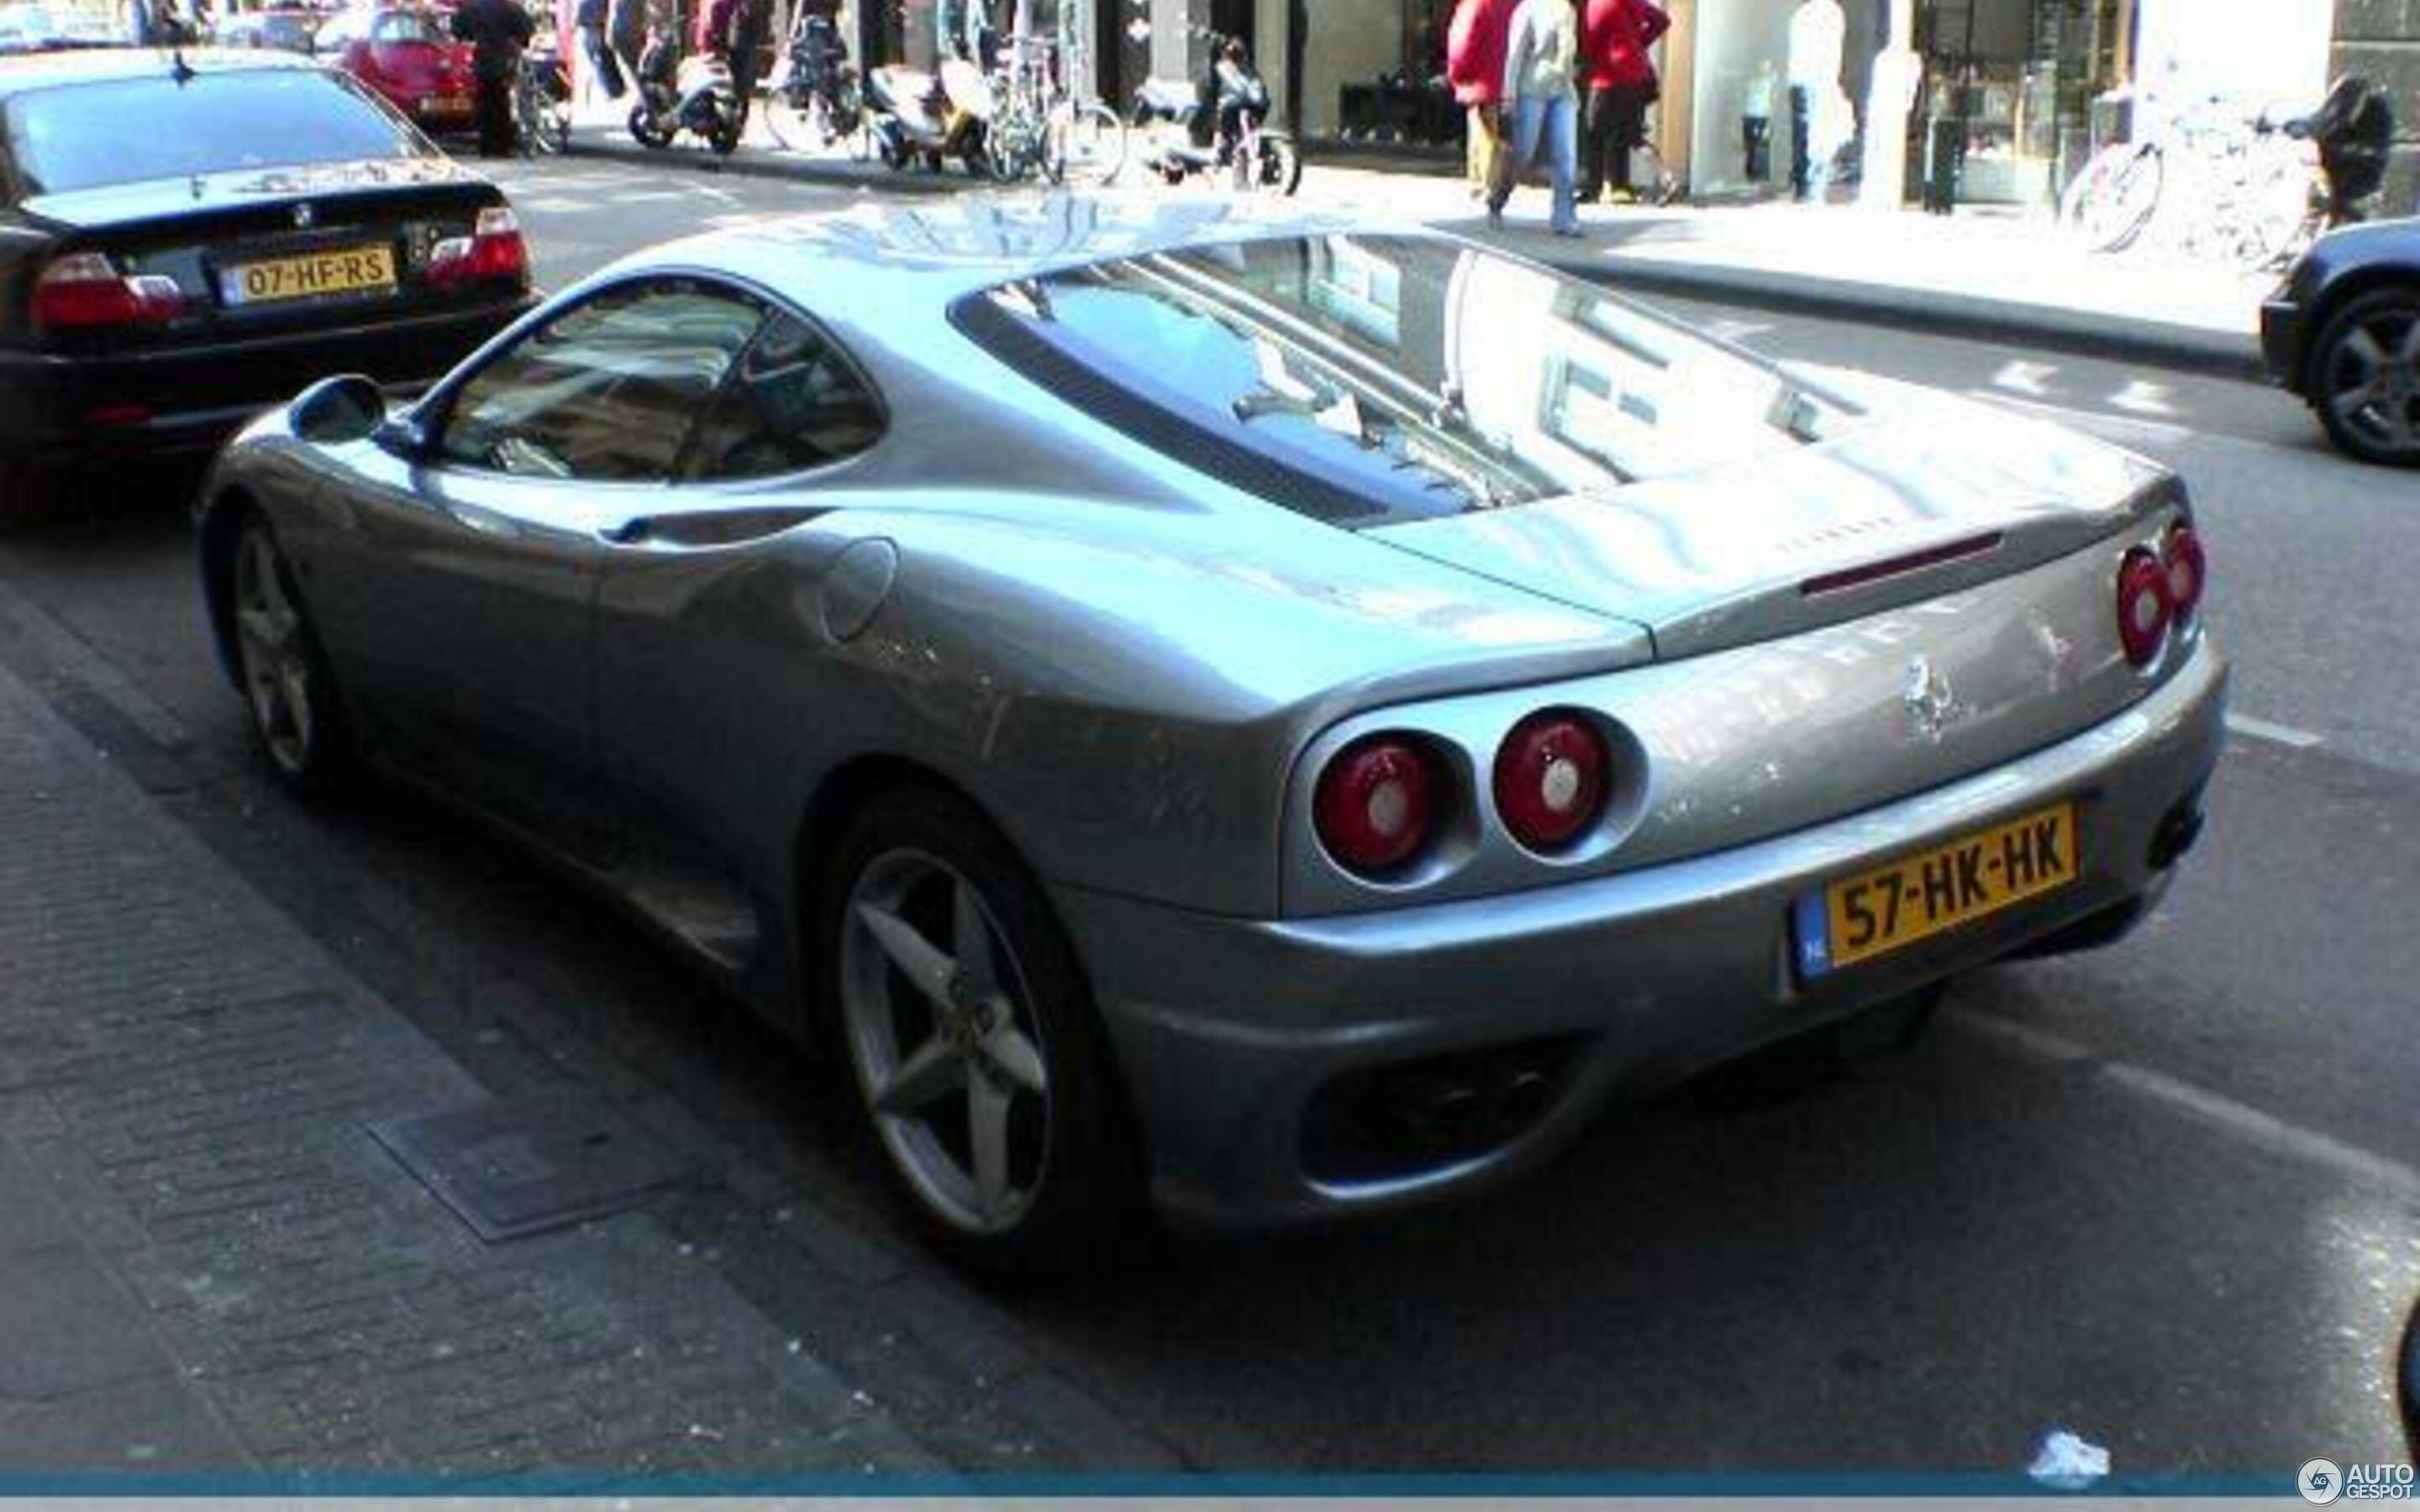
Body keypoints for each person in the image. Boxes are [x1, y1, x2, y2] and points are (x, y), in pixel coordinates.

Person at [1487, 0, 1581, 237]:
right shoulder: (1528, 9)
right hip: (1533, 87)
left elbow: (1571, 53)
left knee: (1565, 155)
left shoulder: (1569, 10)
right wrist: (1508, 95)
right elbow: (1515, 54)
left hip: (1563, 90)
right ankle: (1498, 198)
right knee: (1523, 152)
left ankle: (1563, 217)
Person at [1577, 0, 1665, 203]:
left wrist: (1582, 67)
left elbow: (1590, 41)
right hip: (1636, 77)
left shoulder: (1599, 4)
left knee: (1594, 134)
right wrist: (1638, 43)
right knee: (1631, 136)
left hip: (1607, 77)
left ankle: (1592, 190)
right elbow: (1661, 20)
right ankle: (1661, 179)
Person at [1446, 0, 1517, 199]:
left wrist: (1456, 75)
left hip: (1480, 79)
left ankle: (1482, 183)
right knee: (1495, 133)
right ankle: (1491, 182)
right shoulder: (1517, 5)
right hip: (1509, 81)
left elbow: (1461, 46)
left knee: (1482, 133)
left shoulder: (1474, 5)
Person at [451, 0, 534, 156]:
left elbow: (457, 30)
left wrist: (471, 36)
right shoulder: (510, 7)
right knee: (502, 102)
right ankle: (502, 145)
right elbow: (527, 30)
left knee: (485, 102)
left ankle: (486, 144)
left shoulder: (473, 8)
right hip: (505, 59)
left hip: (483, 58)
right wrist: (520, 43)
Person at [1786, 0, 1844, 202]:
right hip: (1819, 80)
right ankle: (1812, 184)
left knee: (1802, 132)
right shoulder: (1831, 11)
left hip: (1799, 79)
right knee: (1819, 133)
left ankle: (1803, 185)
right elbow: (1833, 53)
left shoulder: (1802, 13)